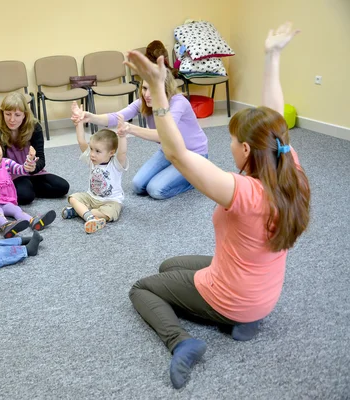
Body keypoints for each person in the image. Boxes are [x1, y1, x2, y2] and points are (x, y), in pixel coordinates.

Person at [126, 23, 310, 389]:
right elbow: (273, 119)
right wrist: (272, 55)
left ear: (245, 150)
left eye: (231, 140)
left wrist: (159, 89)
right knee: (170, 265)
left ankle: (183, 342)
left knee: (142, 288)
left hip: (233, 298)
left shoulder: (242, 191)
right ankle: (243, 321)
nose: (228, 145)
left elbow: (177, 154)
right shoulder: (290, 169)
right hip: (263, 295)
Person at [71, 41, 208, 200]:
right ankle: (177, 171)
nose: (147, 94)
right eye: (144, 88)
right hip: (168, 152)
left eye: (152, 89)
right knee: (137, 185)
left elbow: (162, 135)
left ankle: (195, 178)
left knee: (155, 190)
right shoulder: (144, 102)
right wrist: (90, 116)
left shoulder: (178, 102)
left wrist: (130, 129)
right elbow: (117, 117)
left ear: (164, 89)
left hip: (192, 155)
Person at [0, 92, 69, 205]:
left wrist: (33, 168)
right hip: (10, 176)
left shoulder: (35, 128)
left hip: (32, 173)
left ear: (24, 115)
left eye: (17, 115)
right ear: (2, 114)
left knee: (63, 187)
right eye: (8, 114)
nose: (12, 119)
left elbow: (41, 159)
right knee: (26, 196)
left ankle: (1, 190)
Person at [63, 102, 129, 234]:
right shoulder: (92, 160)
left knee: (111, 214)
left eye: (98, 151)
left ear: (111, 152)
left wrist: (122, 136)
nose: (92, 154)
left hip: (111, 201)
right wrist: (79, 123)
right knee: (73, 198)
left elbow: (122, 152)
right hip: (91, 197)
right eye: (91, 149)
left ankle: (82, 212)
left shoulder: (116, 164)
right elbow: (82, 141)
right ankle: (89, 216)